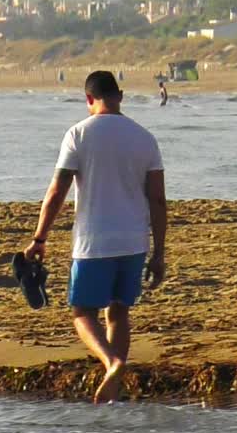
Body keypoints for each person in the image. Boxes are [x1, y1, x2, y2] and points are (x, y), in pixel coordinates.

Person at [24, 71, 167, 404]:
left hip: (94, 242)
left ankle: (112, 362)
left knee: (82, 313)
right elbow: (158, 200)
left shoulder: (79, 134)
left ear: (89, 99)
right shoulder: (145, 138)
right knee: (118, 312)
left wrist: (40, 238)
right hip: (133, 242)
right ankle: (112, 390)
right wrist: (159, 252)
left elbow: (57, 191)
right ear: (120, 96)